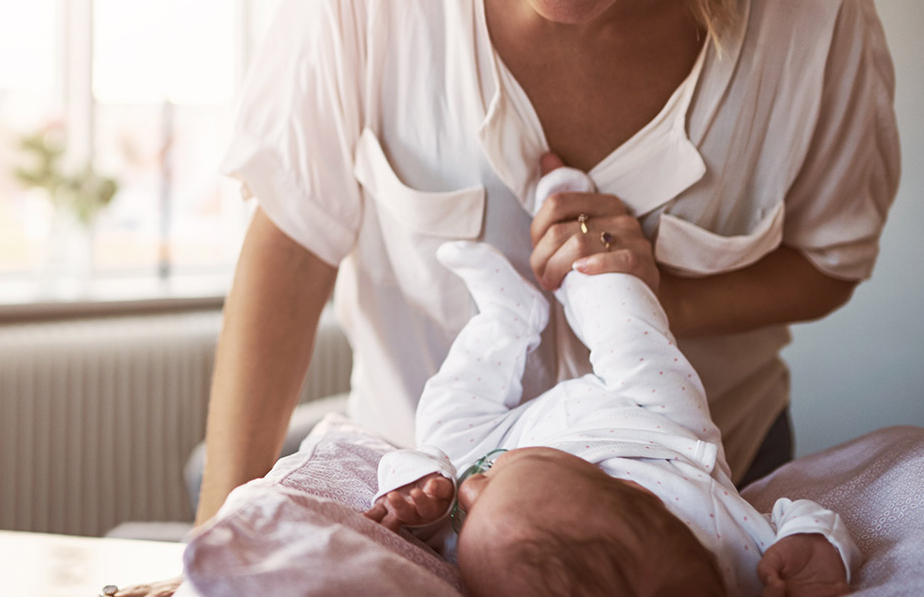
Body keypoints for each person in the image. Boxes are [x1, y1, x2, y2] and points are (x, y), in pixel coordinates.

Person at [198, 0, 898, 533]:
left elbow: (828, 264)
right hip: (413, 505)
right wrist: (215, 537)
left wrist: (661, 294)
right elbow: (293, 240)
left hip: (693, 515)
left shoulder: (813, 8)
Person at [363, 164, 857, 597]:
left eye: (470, 516)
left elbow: (426, 516)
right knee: (630, 332)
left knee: (440, 429)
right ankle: (576, 234)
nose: (472, 490)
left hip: (515, 437)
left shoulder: (494, 552)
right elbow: (801, 517)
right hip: (654, 430)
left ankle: (507, 317)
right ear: (640, 494)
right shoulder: (742, 555)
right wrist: (814, 547)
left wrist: (419, 497)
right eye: (491, 485)